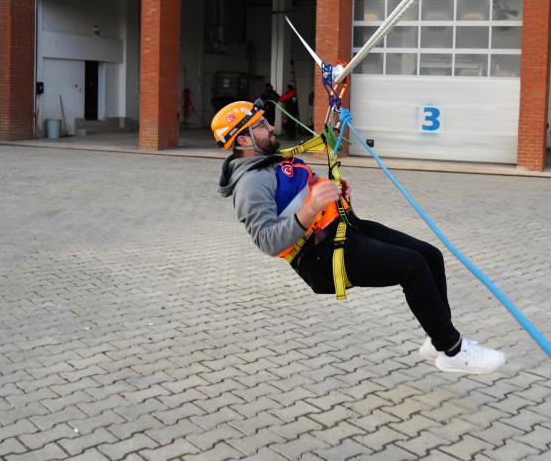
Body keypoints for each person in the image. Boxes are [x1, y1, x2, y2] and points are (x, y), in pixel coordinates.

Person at [212, 100, 506, 374]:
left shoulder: (272, 162)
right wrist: (314, 206)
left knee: (430, 256)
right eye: (262, 125)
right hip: (321, 257)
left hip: (344, 228)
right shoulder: (250, 184)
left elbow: (303, 191)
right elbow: (268, 240)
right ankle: (453, 351)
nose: (272, 127)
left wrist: (332, 192)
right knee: (412, 266)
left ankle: (438, 336)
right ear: (244, 140)